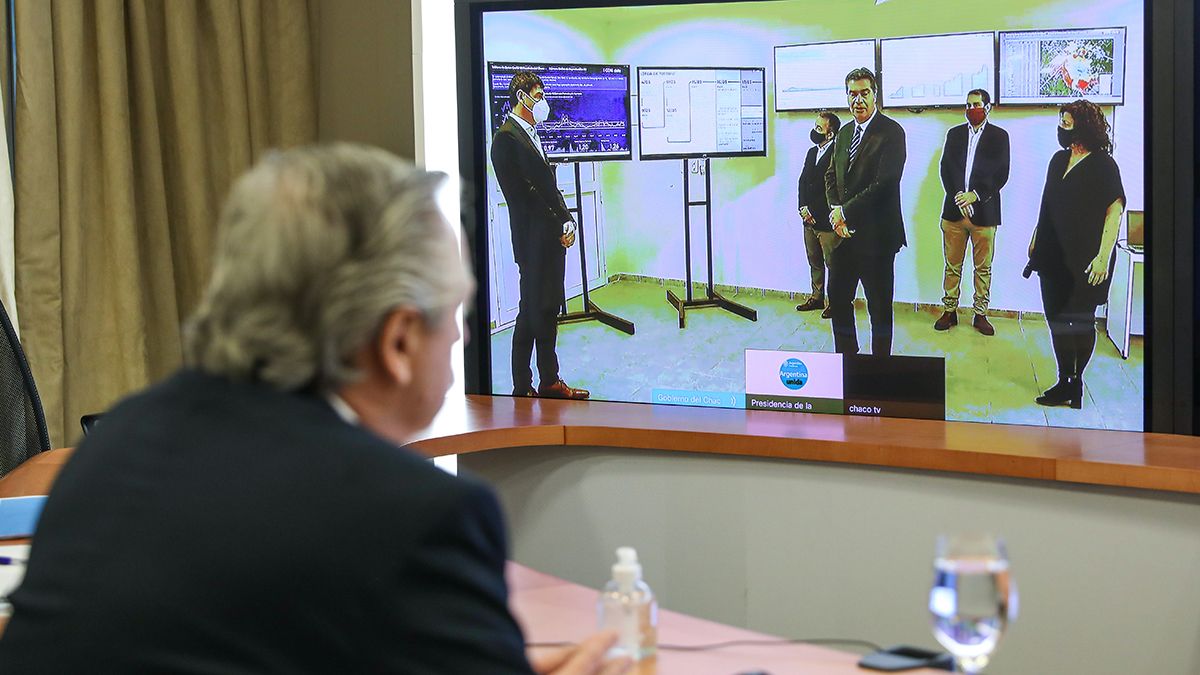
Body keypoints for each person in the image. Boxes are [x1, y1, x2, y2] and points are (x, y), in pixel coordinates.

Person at [0, 145, 630, 675]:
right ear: (398, 341)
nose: (463, 337)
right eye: (456, 314)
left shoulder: (118, 446)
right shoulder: (419, 517)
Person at [491, 71, 589, 400]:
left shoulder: (532, 132)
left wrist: (567, 220)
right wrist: (555, 223)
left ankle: (549, 381)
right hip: (532, 241)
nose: (544, 101)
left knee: (545, 310)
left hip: (549, 238)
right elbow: (524, 195)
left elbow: (548, 186)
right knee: (530, 312)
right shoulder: (505, 139)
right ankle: (523, 386)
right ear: (523, 97)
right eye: (539, 94)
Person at [1027, 100, 1125, 408]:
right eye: (1061, 122)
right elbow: (1047, 205)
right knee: (1056, 321)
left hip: (1086, 260)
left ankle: (1077, 381)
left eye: (1067, 123)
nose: (1062, 128)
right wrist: (1035, 237)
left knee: (1081, 322)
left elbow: (1115, 211)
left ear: (1084, 126)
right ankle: (1064, 380)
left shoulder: (1104, 165)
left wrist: (1103, 257)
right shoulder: (1058, 160)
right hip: (1051, 256)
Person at [823, 67, 907, 355]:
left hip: (878, 238)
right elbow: (831, 176)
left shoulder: (892, 132)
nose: (858, 100)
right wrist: (837, 213)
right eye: (852, 93)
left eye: (864, 93)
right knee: (837, 296)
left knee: (879, 308)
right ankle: (848, 358)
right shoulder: (844, 133)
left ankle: (879, 367)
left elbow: (884, 183)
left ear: (875, 94)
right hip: (844, 235)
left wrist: (845, 212)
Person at [935, 89, 1011, 336]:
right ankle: (949, 310)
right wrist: (960, 197)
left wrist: (974, 195)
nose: (971, 109)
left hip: (985, 213)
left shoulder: (1000, 136)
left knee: (983, 268)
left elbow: (1001, 173)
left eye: (976, 104)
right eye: (968, 104)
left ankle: (980, 314)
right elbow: (945, 168)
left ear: (988, 107)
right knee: (952, 265)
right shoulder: (954, 134)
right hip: (954, 212)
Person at [796, 110, 841, 319]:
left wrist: (814, 212)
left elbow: (834, 189)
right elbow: (803, 181)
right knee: (814, 260)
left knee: (833, 264)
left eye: (818, 128)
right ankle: (817, 297)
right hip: (808, 220)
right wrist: (803, 207)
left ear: (830, 134)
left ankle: (835, 302)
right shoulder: (811, 152)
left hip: (826, 221)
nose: (813, 132)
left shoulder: (838, 154)